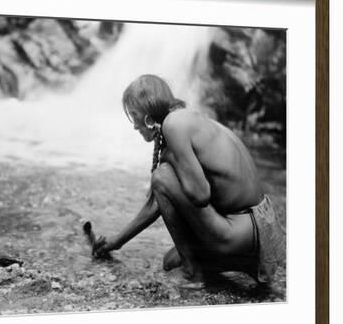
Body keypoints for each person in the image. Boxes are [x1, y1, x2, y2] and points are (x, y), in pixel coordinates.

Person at [93, 74, 284, 287]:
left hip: (243, 229)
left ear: (148, 116)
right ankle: (247, 264)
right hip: (260, 229)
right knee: (171, 261)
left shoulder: (173, 125)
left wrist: (171, 165)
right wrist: (115, 243)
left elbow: (200, 194)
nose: (134, 125)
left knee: (162, 176)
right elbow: (155, 203)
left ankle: (195, 275)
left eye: (134, 115)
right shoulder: (187, 119)